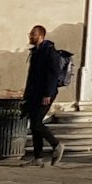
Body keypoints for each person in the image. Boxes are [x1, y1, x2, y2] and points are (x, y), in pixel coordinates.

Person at [22, 26, 65, 167]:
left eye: (33, 34)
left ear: (41, 35)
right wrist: (27, 94)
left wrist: (48, 93)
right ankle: (38, 157)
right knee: (34, 123)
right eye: (30, 33)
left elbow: (53, 74)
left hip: (46, 93)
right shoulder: (36, 52)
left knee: (36, 123)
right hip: (35, 93)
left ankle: (56, 144)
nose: (30, 36)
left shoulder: (50, 52)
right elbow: (32, 76)